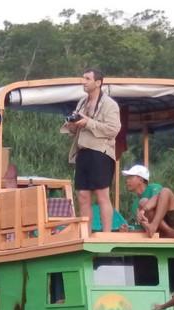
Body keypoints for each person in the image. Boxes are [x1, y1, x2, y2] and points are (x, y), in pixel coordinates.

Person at [61, 68, 121, 235]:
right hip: (83, 152)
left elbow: (113, 129)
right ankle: (86, 234)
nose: (84, 82)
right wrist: (72, 124)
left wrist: (88, 122)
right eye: (83, 78)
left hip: (101, 152)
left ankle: (107, 234)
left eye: (87, 79)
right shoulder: (82, 102)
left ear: (98, 82)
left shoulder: (110, 104)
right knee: (82, 195)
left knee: (102, 194)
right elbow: (75, 129)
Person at [120, 164, 174, 238]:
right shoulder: (134, 204)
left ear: (141, 180)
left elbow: (159, 199)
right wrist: (128, 231)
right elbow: (143, 229)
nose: (127, 180)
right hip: (158, 231)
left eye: (130, 177)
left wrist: (143, 210)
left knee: (148, 200)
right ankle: (168, 232)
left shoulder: (154, 188)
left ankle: (168, 231)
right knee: (142, 203)